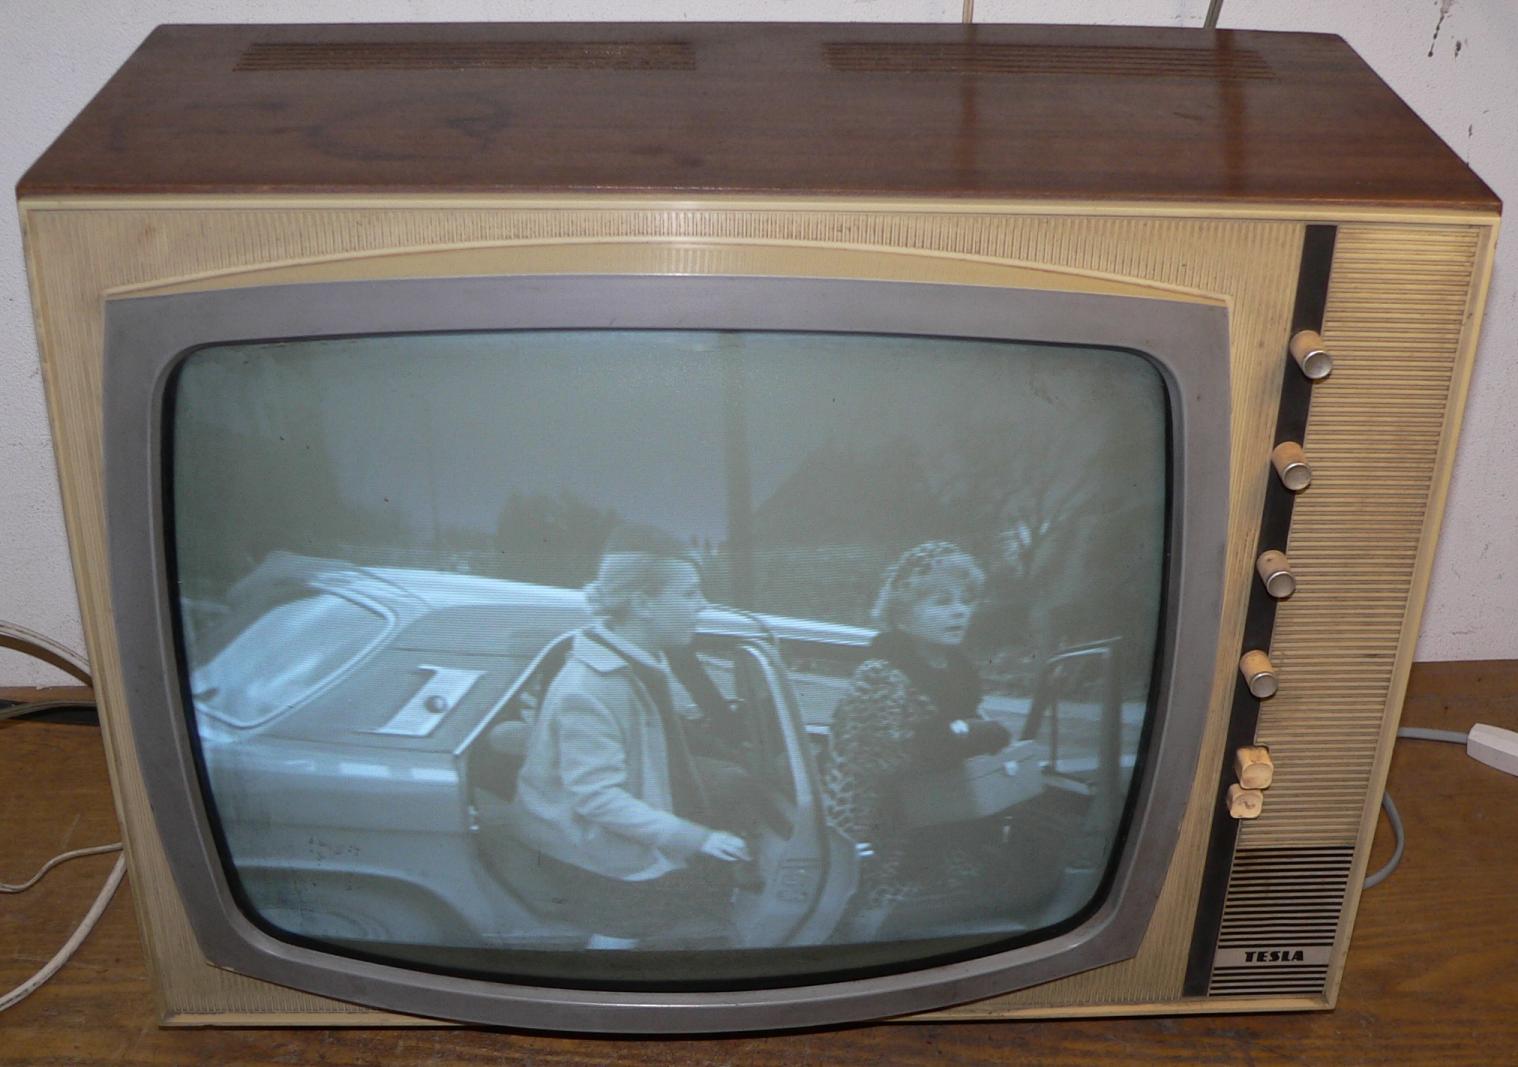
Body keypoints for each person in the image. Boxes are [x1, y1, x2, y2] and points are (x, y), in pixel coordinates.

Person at [509, 524, 751, 948]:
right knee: (635, 922)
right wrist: (698, 838)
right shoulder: (591, 686)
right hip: (585, 850)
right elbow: (597, 798)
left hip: (602, 831)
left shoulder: (637, 662)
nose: (703, 604)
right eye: (689, 594)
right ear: (642, 603)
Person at [820, 541, 1013, 940]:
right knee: (887, 936)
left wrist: (973, 736)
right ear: (903, 615)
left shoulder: (957, 670)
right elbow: (880, 755)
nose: (959, 611)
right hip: (881, 837)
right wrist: (967, 735)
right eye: (942, 601)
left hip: (946, 821)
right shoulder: (880, 673)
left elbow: (966, 735)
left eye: (965, 600)